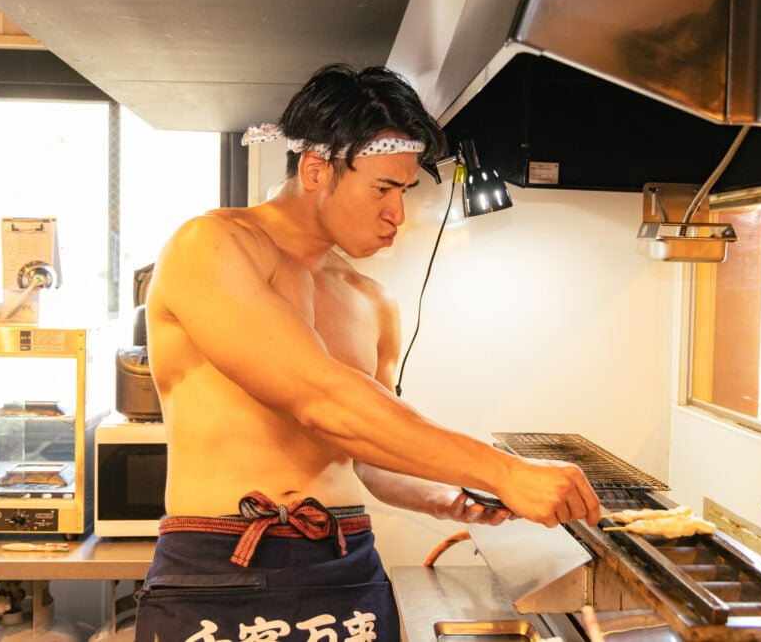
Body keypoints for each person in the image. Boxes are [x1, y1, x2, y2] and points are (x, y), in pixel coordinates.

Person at [134, 64, 600, 642]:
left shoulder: (371, 301)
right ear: (315, 168)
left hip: (347, 564)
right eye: (382, 188)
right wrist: (503, 470)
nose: (397, 215)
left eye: (404, 191)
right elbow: (320, 399)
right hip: (222, 564)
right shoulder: (212, 246)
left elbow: (365, 454)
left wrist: (449, 497)